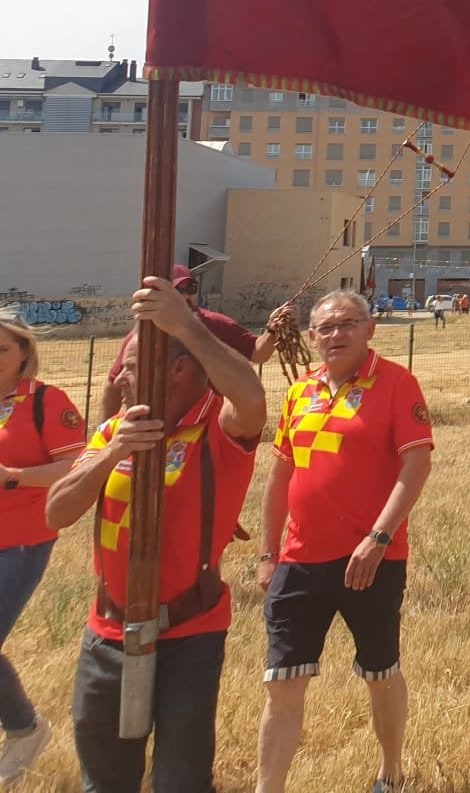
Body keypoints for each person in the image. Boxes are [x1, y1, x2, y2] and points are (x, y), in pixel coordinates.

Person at [51, 274, 266, 793]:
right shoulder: (113, 432)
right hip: (106, 634)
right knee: (104, 778)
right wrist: (112, 453)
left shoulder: (217, 426)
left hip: (189, 635)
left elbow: (251, 393)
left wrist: (185, 325)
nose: (118, 383)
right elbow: (56, 513)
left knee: (181, 780)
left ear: (173, 370)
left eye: (126, 371)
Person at [256, 289, 433, 793]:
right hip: (299, 560)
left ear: (370, 329)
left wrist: (378, 537)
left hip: (371, 560)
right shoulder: (299, 392)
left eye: (347, 324)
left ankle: (391, 771)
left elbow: (416, 463)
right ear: (311, 338)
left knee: (380, 672)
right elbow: (280, 476)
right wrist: (269, 554)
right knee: (281, 684)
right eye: (326, 328)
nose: (336, 335)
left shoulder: (397, 384)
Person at [0, 310, 87, 782]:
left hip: (20, 543)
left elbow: (76, 466)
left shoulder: (46, 402)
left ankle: (25, 729)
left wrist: (14, 478)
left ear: (25, 353)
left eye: (1, 349)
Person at [98, 262, 275, 421]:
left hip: (207, 424)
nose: (186, 297)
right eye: (178, 291)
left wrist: (272, 330)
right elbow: (114, 384)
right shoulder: (142, 335)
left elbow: (258, 354)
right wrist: (103, 434)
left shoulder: (217, 323)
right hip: (157, 421)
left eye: (190, 289)